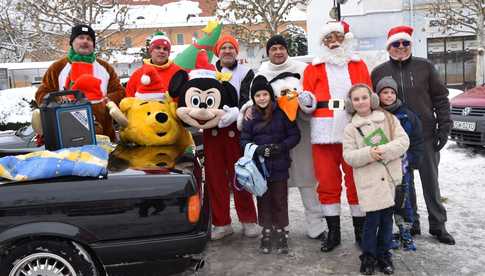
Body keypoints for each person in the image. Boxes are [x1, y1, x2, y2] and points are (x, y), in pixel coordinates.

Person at [371, 25, 455, 245]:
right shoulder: (379, 72)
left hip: (425, 134)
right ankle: (412, 222)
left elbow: (441, 98)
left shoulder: (425, 66)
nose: (400, 47)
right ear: (389, 47)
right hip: (394, 139)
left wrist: (444, 127)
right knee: (404, 183)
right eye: (396, 44)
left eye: (405, 43)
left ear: (410, 44)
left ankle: (438, 225)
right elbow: (373, 104)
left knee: (430, 182)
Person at [302, 21, 370, 251]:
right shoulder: (313, 67)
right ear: (322, 42)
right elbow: (308, 101)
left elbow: (368, 96)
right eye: (328, 38)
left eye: (337, 37)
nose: (333, 41)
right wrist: (306, 102)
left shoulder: (359, 65)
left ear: (344, 39)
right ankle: (334, 233)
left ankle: (361, 232)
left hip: (353, 129)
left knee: (356, 181)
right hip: (323, 131)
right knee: (327, 182)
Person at [249, 34, 326, 239]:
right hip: (273, 137)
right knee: (276, 185)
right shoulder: (262, 72)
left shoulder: (303, 68)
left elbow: (314, 96)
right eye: (273, 49)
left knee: (307, 179)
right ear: (268, 52)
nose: (278, 52)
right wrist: (247, 110)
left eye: (281, 48)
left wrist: (306, 103)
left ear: (287, 50)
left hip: (301, 130)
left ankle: (316, 224)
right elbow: (254, 99)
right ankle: (279, 225)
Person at [342, 84, 409, 275]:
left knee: (387, 220)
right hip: (369, 181)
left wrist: (384, 150)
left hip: (389, 178)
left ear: (371, 99)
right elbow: (349, 156)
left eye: (364, 97)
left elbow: (403, 141)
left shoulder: (388, 118)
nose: (361, 102)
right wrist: (369, 153)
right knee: (371, 222)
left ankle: (384, 255)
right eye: (356, 99)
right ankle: (369, 256)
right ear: (351, 103)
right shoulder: (350, 129)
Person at [240, 75, 301, 254]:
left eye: (264, 94)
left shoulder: (282, 112)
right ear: (254, 98)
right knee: (263, 199)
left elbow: (295, 135)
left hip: (280, 164)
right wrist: (257, 149)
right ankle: (266, 230)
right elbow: (243, 139)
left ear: (270, 95)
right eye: (258, 95)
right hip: (260, 167)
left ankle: (281, 230)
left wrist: (280, 147)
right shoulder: (250, 116)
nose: (262, 98)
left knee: (280, 199)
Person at [35, 24, 124, 141]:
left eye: (89, 39)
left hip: (104, 136)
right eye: (81, 37)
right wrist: (61, 100)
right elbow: (42, 93)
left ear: (93, 45)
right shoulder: (58, 67)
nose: (85, 41)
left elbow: (119, 92)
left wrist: (105, 102)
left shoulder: (105, 67)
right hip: (66, 137)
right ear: (72, 42)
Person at [377, 76, 424, 251]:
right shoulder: (375, 114)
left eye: (391, 92)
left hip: (403, 168)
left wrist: (412, 160)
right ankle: (386, 234)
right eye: (384, 92)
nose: (388, 96)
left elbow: (417, 140)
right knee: (385, 202)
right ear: (378, 95)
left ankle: (406, 232)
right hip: (382, 169)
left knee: (404, 202)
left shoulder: (407, 114)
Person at [125, 31, 182, 99]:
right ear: (151, 51)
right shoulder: (138, 74)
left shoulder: (179, 73)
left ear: (168, 53)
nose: (161, 51)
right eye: (158, 48)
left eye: (165, 49)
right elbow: (129, 100)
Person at [214, 35, 254, 107]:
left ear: (236, 52)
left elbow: (246, 100)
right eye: (223, 48)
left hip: (237, 116)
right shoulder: (210, 71)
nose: (227, 51)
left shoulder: (246, 72)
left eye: (231, 48)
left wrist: (236, 113)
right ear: (218, 52)